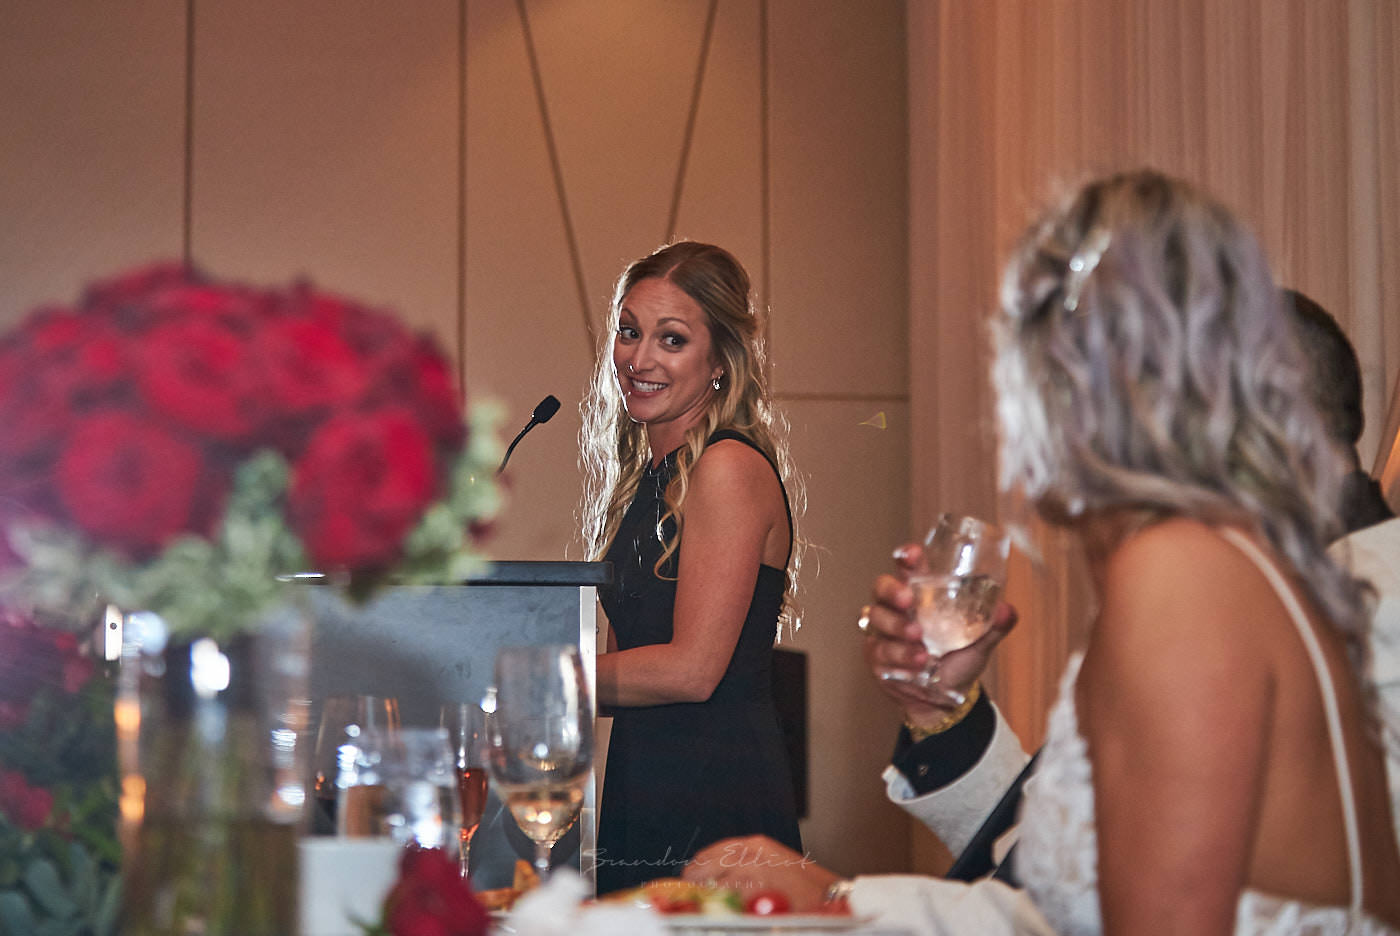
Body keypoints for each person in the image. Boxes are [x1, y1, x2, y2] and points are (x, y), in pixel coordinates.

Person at [685, 171, 1400, 934]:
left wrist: (838, 903)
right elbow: (1078, 890)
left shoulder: (1180, 578)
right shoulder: (1243, 576)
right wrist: (938, 719)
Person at [581, 241, 804, 894]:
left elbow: (692, 670)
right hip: (641, 786)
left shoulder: (726, 467)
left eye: (671, 339)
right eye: (629, 331)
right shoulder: (646, 480)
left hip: (718, 804)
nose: (639, 359)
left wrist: (537, 680)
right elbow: (623, 668)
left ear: (721, 360)